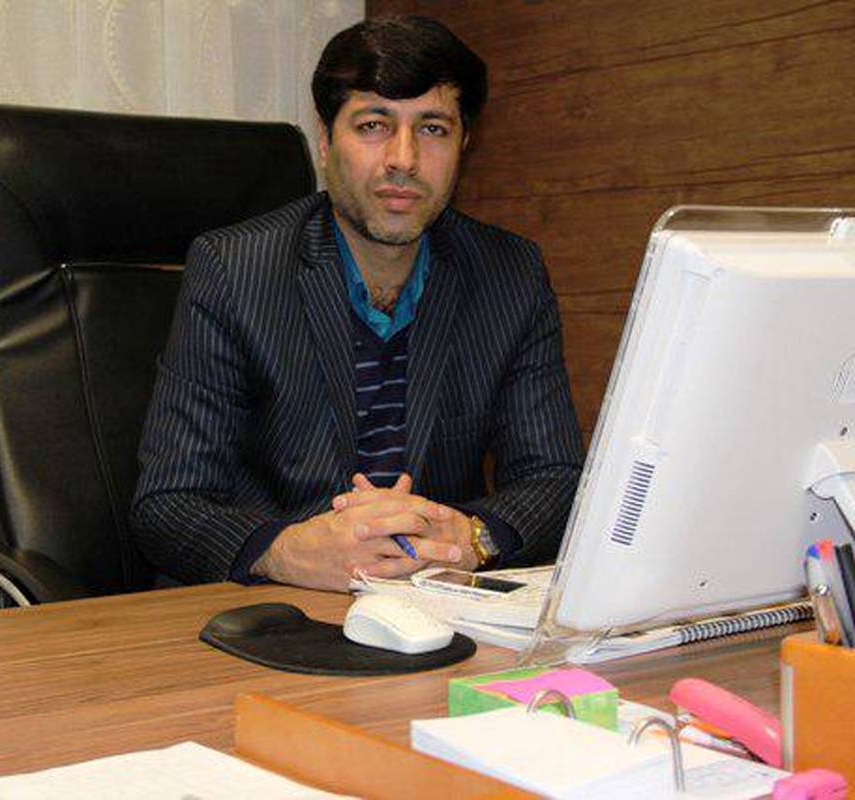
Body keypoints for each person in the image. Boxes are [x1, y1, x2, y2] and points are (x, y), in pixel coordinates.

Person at [131, 15, 584, 591]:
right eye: (373, 125)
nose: (403, 159)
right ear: (325, 140)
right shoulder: (234, 269)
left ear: (464, 145)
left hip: (433, 603)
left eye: (433, 129)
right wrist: (284, 551)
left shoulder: (509, 274)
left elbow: (556, 479)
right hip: (275, 607)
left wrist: (470, 537)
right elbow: (169, 502)